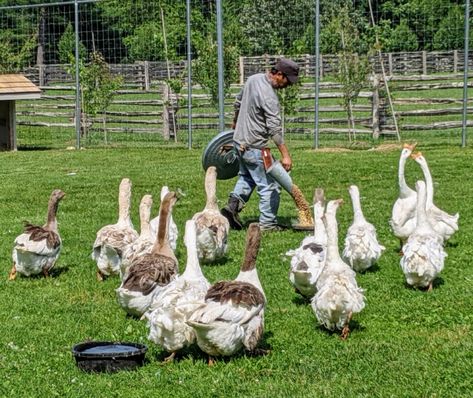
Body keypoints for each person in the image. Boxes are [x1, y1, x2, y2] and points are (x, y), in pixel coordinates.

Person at [221, 58, 299, 232]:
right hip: (255, 146)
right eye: (287, 81)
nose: (288, 86)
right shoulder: (269, 96)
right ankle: (268, 224)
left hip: (239, 142)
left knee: (247, 177)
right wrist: (285, 155)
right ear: (279, 74)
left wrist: (235, 122)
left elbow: (238, 101)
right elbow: (274, 129)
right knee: (270, 185)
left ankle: (231, 209)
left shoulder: (253, 79)